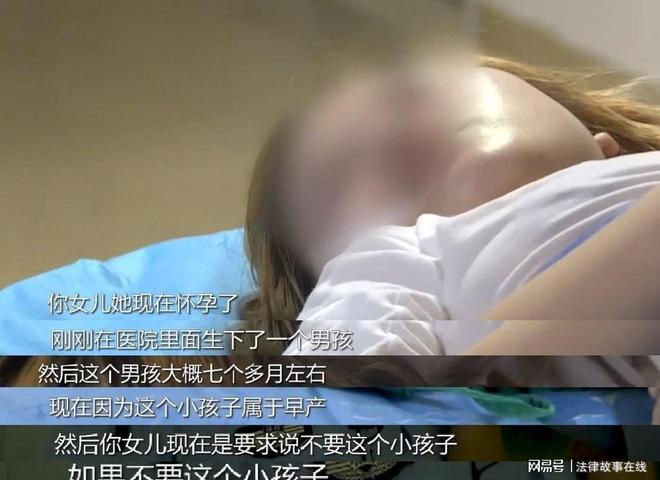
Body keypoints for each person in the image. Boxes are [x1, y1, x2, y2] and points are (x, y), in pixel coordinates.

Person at [241, 55, 660, 388]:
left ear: (601, 145)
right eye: (341, 168)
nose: (386, 132)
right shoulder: (395, 259)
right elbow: (341, 383)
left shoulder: (631, 174)